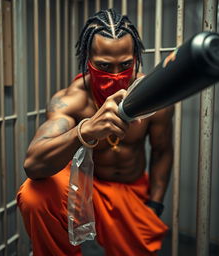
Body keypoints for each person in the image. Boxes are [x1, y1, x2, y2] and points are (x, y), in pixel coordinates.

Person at [17, 8, 174, 256]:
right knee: (35, 194)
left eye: (124, 65)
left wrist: (154, 204)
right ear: (87, 60)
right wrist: (84, 130)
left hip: (130, 191)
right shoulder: (72, 100)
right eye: (103, 66)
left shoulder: (154, 99)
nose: (115, 76)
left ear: (135, 58)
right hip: (83, 191)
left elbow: (162, 151)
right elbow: (33, 164)